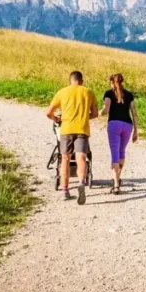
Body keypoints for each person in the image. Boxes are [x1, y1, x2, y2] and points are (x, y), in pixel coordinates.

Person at [45, 70, 98, 205]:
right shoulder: (88, 92)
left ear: (70, 80)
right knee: (81, 157)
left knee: (65, 158)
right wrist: (85, 117)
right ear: (81, 81)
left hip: (66, 129)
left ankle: (65, 190)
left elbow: (48, 113)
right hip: (82, 129)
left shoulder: (62, 92)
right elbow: (95, 113)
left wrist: (57, 119)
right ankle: (81, 182)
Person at [99, 73, 139, 194]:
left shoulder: (109, 93)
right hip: (128, 125)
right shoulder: (129, 95)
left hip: (114, 125)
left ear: (111, 82)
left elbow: (106, 110)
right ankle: (117, 177)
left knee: (114, 155)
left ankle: (116, 185)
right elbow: (134, 114)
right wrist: (136, 131)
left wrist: (97, 113)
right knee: (121, 153)